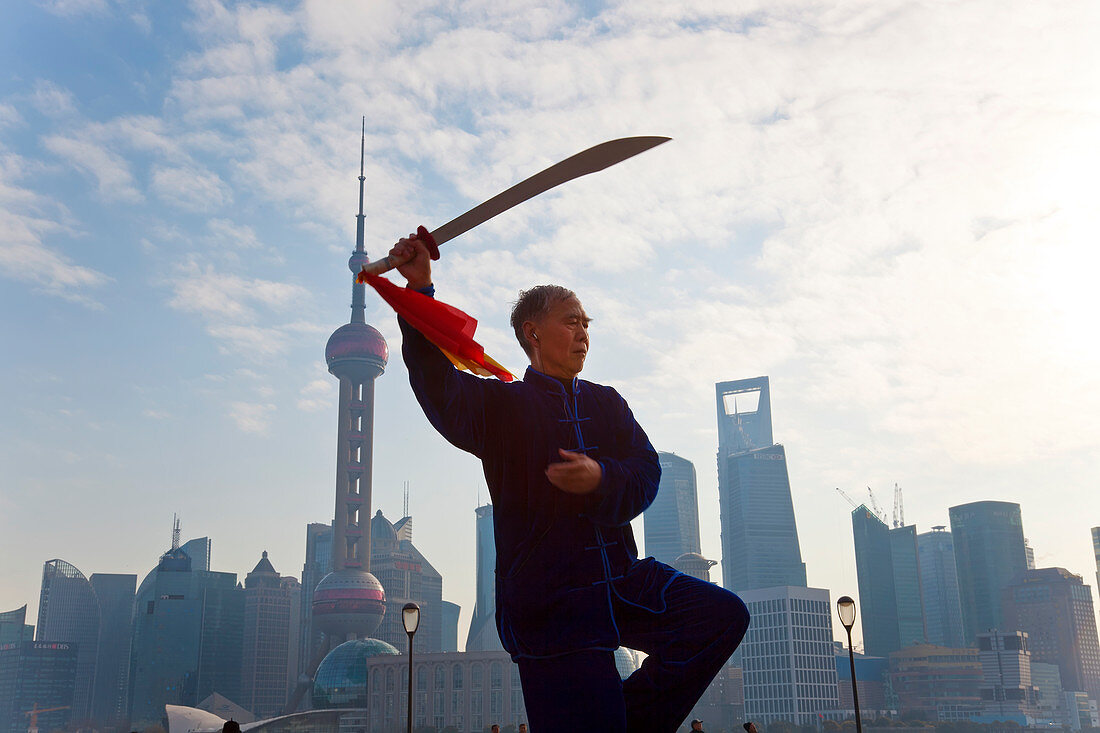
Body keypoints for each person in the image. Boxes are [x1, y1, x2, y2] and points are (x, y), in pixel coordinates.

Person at [390, 236, 750, 732]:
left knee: (722, 617)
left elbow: (646, 472)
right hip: (551, 606)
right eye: (571, 321)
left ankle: (627, 723)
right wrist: (422, 288)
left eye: (586, 323)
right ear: (532, 331)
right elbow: (438, 385)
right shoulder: (503, 408)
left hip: (622, 583)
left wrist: (601, 476)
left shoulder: (607, 403)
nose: (583, 332)